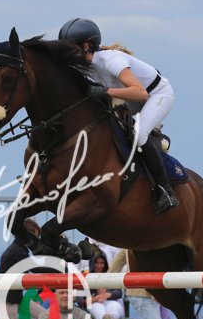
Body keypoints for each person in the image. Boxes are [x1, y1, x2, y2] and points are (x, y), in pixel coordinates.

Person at [59, 18, 177, 214]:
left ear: (86, 46)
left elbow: (140, 93)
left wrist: (106, 92)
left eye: (69, 49)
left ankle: (165, 190)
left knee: (139, 134)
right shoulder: (84, 67)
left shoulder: (111, 60)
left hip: (157, 95)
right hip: (129, 98)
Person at [0, 218, 46, 319]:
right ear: (29, 235)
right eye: (36, 236)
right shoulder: (19, 252)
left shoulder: (17, 249)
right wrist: (56, 267)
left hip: (13, 297)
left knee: (44, 315)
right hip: (8, 299)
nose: (36, 240)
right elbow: (36, 269)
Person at [108, 249, 164, 319]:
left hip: (137, 289)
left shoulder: (132, 244)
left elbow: (119, 259)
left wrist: (105, 281)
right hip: (145, 290)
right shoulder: (148, 244)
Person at [83, 250, 124, 319]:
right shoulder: (85, 276)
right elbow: (80, 300)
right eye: (96, 262)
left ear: (105, 264)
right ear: (92, 263)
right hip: (94, 303)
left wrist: (107, 295)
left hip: (110, 301)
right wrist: (96, 298)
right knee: (99, 311)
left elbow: (119, 293)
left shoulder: (110, 275)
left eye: (102, 263)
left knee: (114, 307)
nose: (99, 266)